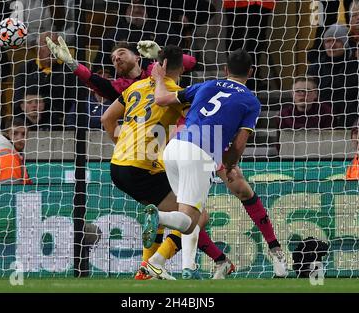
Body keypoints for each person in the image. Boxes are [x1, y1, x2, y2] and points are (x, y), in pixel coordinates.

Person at [142, 49, 288, 279]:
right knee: (191, 219)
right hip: (204, 152)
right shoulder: (251, 101)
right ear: (252, 72)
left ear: (225, 70)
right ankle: (187, 263)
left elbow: (161, 98)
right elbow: (239, 144)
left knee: (216, 203)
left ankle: (164, 262)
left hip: (175, 146)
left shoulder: (206, 85)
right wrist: (230, 164)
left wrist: (158, 77)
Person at [101, 45, 235, 280]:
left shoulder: (136, 86)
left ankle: (149, 269)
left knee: (167, 213)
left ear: (156, 65)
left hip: (118, 165)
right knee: (197, 216)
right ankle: (153, 264)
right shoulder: (175, 93)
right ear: (182, 68)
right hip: (142, 167)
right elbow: (200, 124)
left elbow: (107, 118)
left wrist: (122, 144)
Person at [45, 37, 197, 103]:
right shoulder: (120, 87)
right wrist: (71, 62)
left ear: (137, 57)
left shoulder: (155, 68)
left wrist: (160, 54)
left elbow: (191, 62)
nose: (116, 58)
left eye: (122, 53)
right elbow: (93, 79)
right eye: (113, 58)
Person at [13, 32, 77, 127]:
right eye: (47, 44)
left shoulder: (69, 69)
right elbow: (17, 102)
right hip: (28, 122)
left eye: (56, 44)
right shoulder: (25, 69)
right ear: (37, 48)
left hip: (58, 123)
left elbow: (74, 102)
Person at [307, 23, 359, 127]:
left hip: (352, 121)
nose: (332, 45)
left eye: (336, 40)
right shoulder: (315, 68)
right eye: (328, 41)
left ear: (345, 43)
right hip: (322, 120)